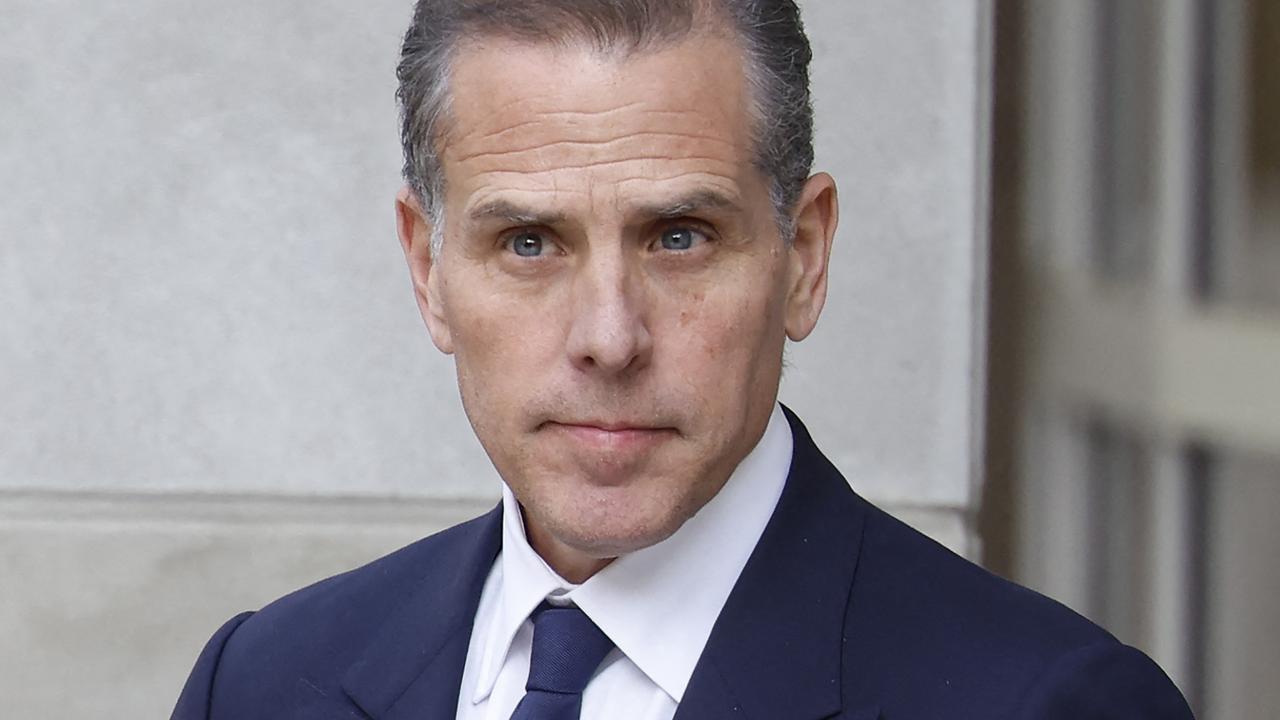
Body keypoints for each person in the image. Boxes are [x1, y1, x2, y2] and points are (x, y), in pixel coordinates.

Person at [172, 1, 1194, 718]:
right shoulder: (263, 683)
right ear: (426, 267)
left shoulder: (1043, 704)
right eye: (528, 243)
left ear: (803, 256)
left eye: (677, 237)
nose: (609, 338)